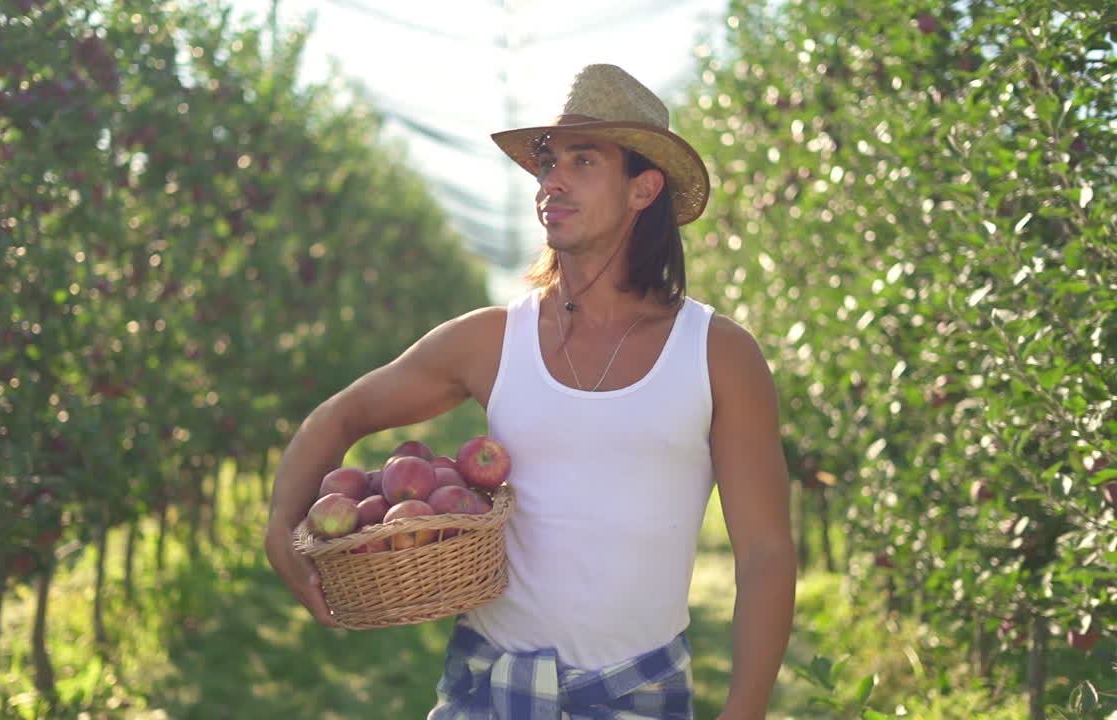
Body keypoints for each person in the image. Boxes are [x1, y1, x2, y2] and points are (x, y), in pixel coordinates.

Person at [264, 64, 796, 720]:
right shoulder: (493, 341)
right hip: (488, 691)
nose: (552, 180)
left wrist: (743, 713)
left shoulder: (717, 353)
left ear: (643, 188)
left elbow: (767, 552)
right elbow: (344, 414)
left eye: (582, 159)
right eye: (546, 162)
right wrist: (279, 528)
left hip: (636, 698)